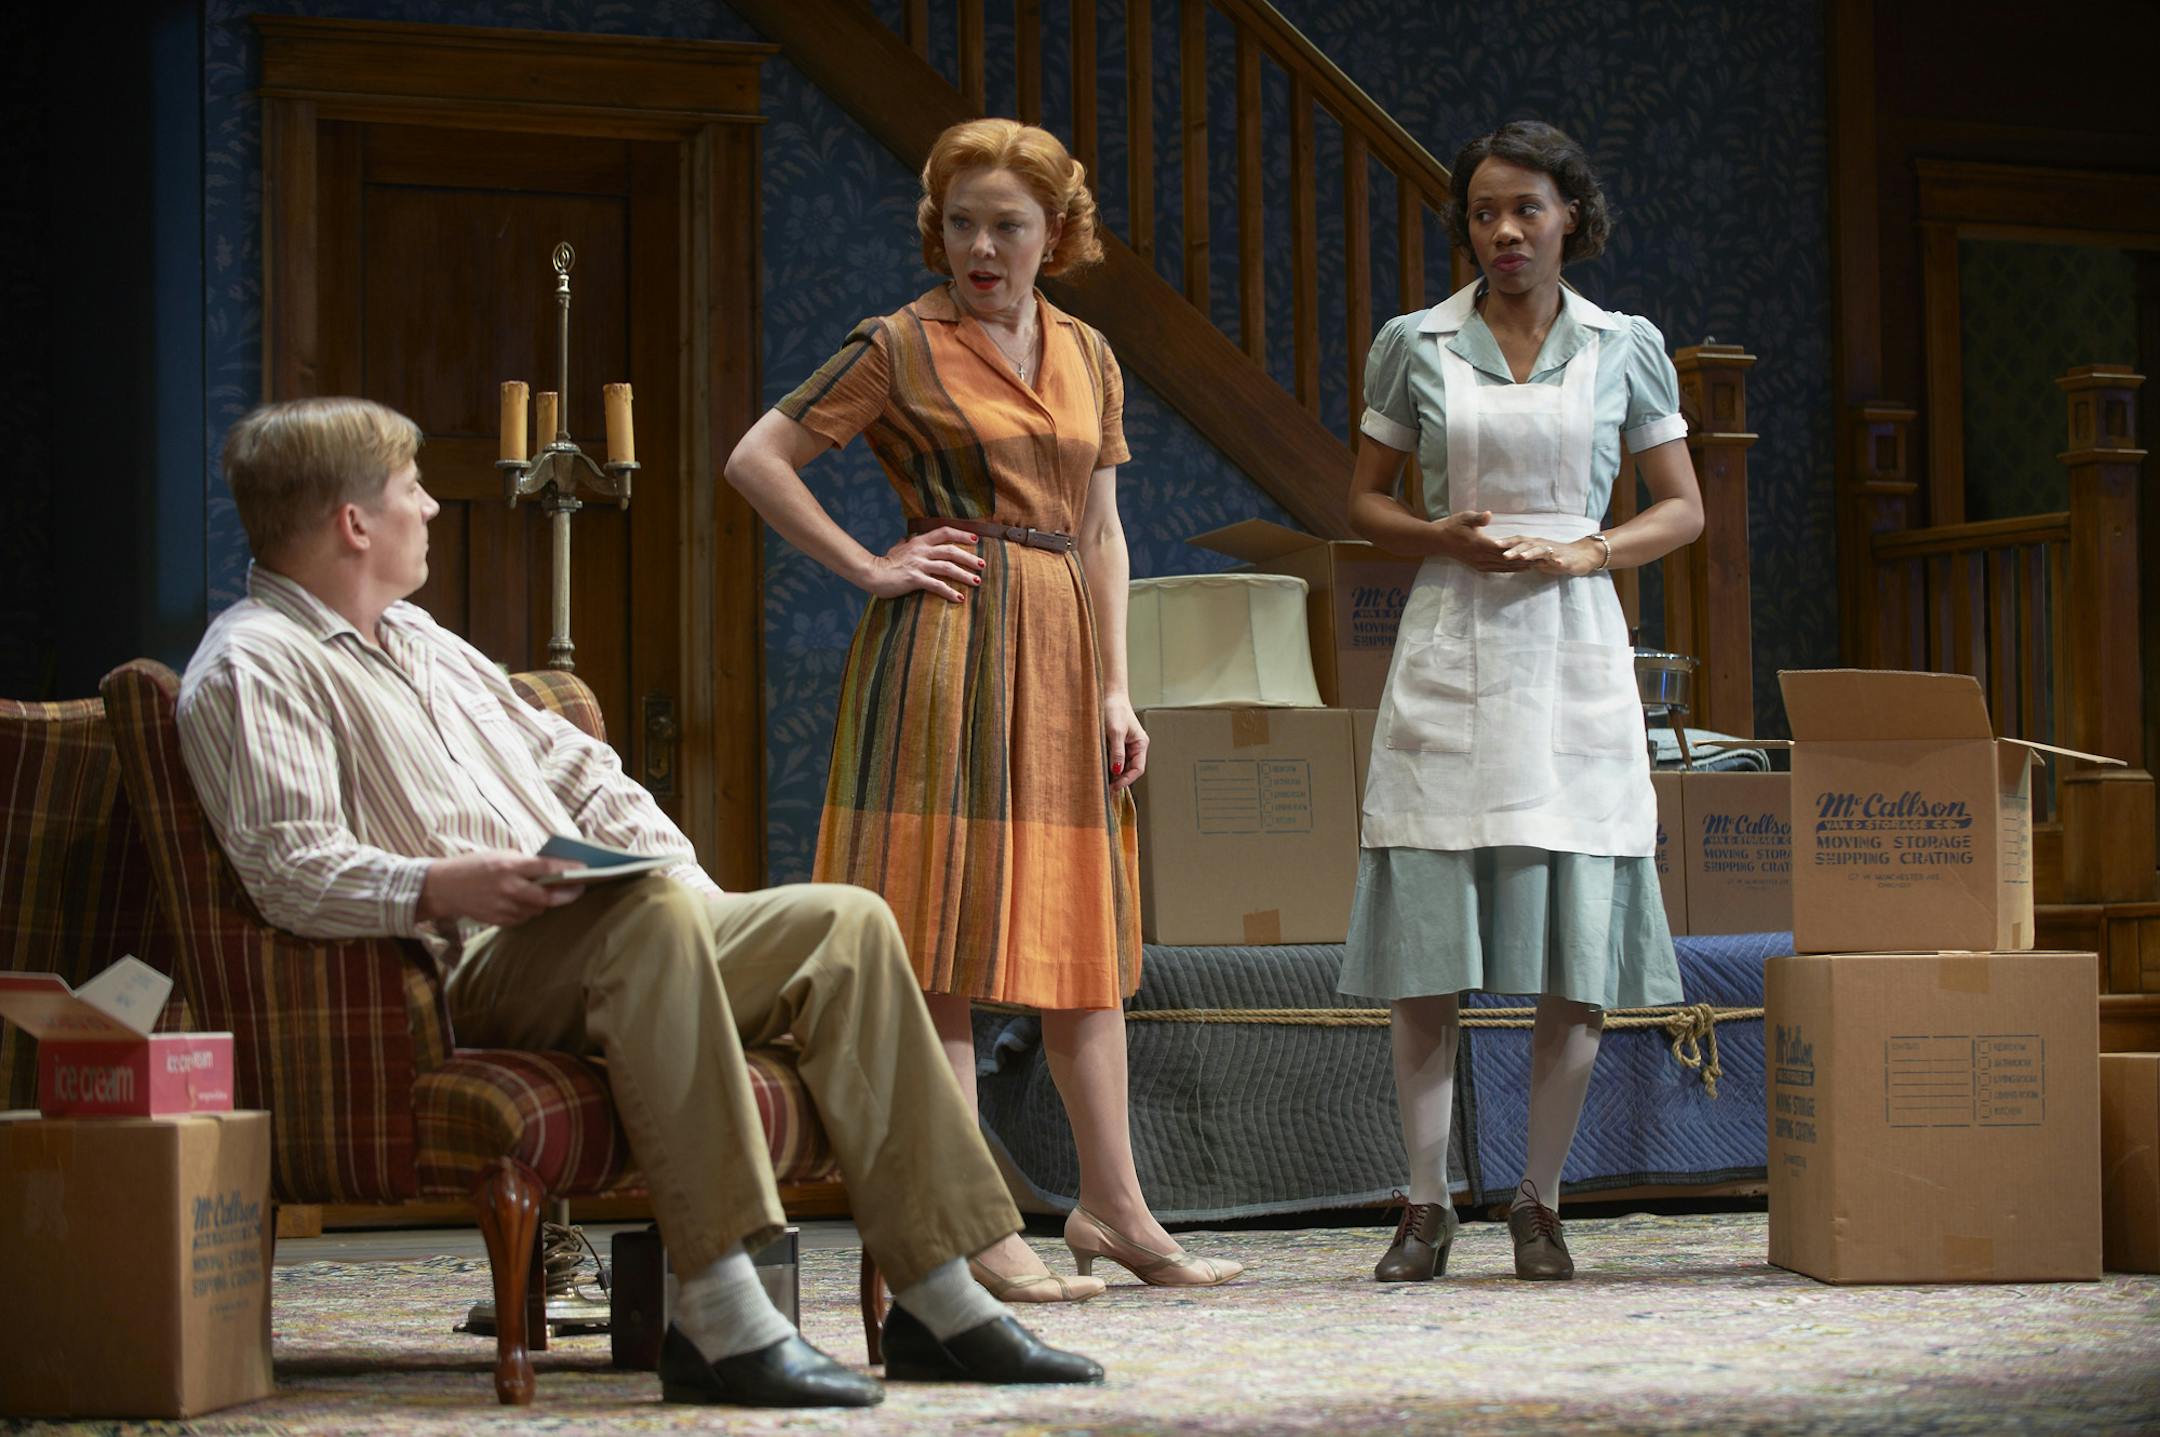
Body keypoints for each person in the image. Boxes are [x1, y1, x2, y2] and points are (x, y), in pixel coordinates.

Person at [178, 396, 1105, 1407]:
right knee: (653, 922)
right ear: (356, 522)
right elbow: (289, 867)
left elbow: (581, 772)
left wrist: (690, 894)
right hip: (461, 965)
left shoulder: (422, 641)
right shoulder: (251, 665)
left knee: (844, 923)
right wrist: (450, 883)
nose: (434, 510)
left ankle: (940, 1301)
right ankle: (719, 1309)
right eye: (414, 491)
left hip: (594, 927)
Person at [724, 118, 1240, 1299]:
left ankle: (1114, 1208)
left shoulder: (1088, 353)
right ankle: (970, 1221)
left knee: (1084, 942)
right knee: (942, 940)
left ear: (1055, 232)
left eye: (1007, 224)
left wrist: (1119, 682)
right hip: (947, 650)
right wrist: (868, 564)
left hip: (1063, 648)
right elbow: (757, 457)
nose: (981, 248)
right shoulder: (899, 344)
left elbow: (1103, 532)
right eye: (961, 223)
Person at [1337, 120, 1704, 1284]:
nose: (1504, 231)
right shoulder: (1416, 343)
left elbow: (1680, 507)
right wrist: (1439, 535)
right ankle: (1424, 1200)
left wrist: (1593, 554)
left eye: (1527, 211)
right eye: (1486, 212)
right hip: (1453, 638)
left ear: (1570, 222)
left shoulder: (1625, 346)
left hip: (1574, 651)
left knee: (1574, 953)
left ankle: (1540, 1202)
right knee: (1429, 955)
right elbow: (1366, 503)